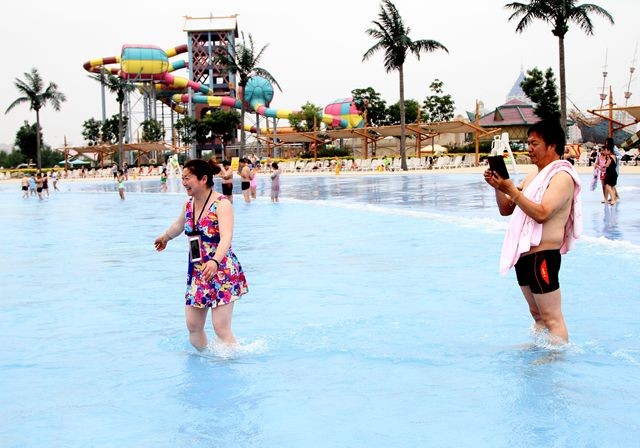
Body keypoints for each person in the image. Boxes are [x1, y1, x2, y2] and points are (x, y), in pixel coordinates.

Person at [484, 119, 582, 344]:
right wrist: (499, 187)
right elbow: (506, 209)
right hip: (525, 256)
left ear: (552, 145)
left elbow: (542, 213)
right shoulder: (533, 177)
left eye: (534, 143)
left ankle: (557, 357)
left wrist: (512, 190)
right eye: (528, 143)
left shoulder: (561, 177)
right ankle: (538, 350)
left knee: (552, 317)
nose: (529, 148)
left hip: (543, 256)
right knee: (537, 315)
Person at [154, 159, 248, 348]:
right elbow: (179, 225)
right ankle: (203, 359)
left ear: (203, 179)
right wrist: (165, 237)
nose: (184, 182)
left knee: (220, 328)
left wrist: (215, 261)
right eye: (182, 178)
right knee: (193, 326)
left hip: (221, 270)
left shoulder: (222, 204)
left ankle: (232, 360)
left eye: (187, 178)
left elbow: (227, 237)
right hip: (198, 271)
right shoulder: (188, 205)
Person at [604, 137, 621, 203]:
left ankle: (614, 198)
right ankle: (614, 197)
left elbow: (620, 155)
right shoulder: (608, 152)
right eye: (605, 142)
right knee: (612, 185)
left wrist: (614, 158)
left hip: (614, 169)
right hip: (611, 169)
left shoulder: (614, 148)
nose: (606, 143)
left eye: (607, 142)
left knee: (610, 184)